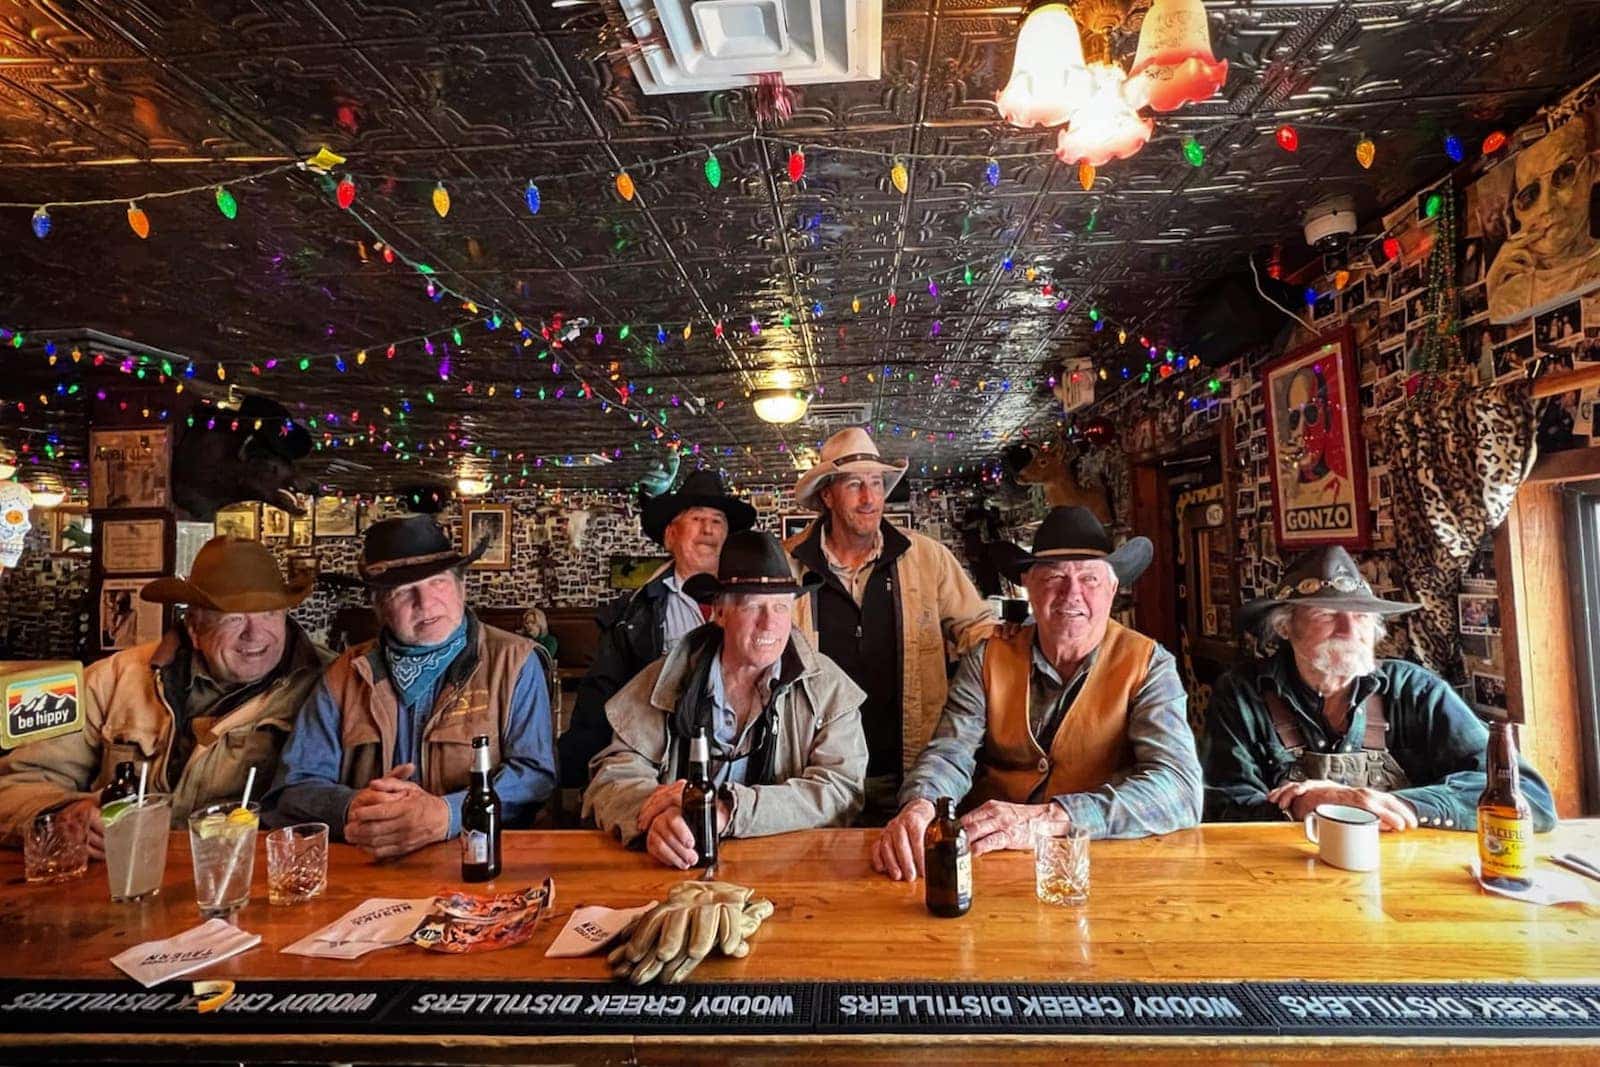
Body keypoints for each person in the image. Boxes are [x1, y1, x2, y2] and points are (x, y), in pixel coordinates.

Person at [873, 507, 1201, 880]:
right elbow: (951, 752)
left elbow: (1179, 789)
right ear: (1027, 585)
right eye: (1054, 578)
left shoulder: (1149, 664)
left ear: (1113, 588)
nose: (1071, 594)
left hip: (1101, 865)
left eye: (1089, 579)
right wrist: (920, 805)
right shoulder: (988, 656)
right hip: (991, 860)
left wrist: (1053, 818)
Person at [0, 537, 331, 856]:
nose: (255, 634)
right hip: (114, 881)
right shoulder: (110, 678)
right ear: (194, 627)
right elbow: (14, 786)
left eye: (269, 613)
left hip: (248, 883)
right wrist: (63, 815)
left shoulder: (330, 684)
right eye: (233, 618)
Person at [1203, 546, 1557, 832]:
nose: (1348, 629)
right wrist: (1299, 806)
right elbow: (1219, 805)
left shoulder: (1416, 691)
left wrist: (1400, 806)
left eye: (1361, 616)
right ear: (1284, 627)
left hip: (1409, 881)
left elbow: (1529, 797)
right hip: (1284, 875)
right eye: (1326, 614)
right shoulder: (1242, 694)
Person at [264, 515, 555, 858]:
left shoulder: (516, 663)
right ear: (380, 607)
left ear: (462, 587)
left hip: (479, 860)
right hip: (367, 865)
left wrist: (446, 814)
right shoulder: (342, 676)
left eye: (438, 583)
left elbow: (536, 777)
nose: (426, 603)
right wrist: (355, 807)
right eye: (403, 592)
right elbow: (292, 789)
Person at [584, 530, 868, 869]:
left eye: (780, 606)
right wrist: (652, 817)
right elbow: (612, 776)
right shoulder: (667, 678)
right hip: (680, 866)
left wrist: (727, 809)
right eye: (752, 606)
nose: (770, 623)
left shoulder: (828, 687)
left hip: (790, 867)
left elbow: (840, 792)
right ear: (720, 613)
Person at [786, 428, 995, 823]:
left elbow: (980, 632)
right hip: (814, 779)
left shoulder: (927, 558)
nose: (869, 499)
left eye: (877, 483)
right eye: (854, 485)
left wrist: (979, 710)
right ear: (827, 495)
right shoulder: (788, 565)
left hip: (912, 776)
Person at [558, 470, 756, 788]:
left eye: (717, 521)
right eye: (696, 519)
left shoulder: (756, 606)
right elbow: (601, 700)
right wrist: (575, 776)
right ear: (670, 536)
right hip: (657, 773)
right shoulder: (631, 614)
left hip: (743, 774)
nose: (708, 529)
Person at [1487, 114, 1600, 322]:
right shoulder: (1511, 296)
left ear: (1593, 171)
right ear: (1519, 212)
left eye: (1564, 175)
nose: (1547, 206)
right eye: (1530, 195)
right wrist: (1492, 284)